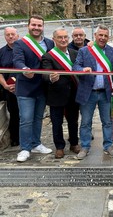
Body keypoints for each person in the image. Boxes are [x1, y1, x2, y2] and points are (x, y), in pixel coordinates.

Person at [73, 24, 113, 159]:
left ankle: (108, 146)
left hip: (106, 93)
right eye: (100, 35)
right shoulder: (84, 51)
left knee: (107, 121)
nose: (103, 38)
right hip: (88, 92)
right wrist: (82, 70)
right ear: (95, 36)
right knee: (86, 122)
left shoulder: (112, 52)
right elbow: (75, 66)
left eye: (105, 36)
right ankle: (85, 147)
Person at [13, 15, 54, 162]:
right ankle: (25, 148)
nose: (36, 28)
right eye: (34, 25)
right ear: (28, 26)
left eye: (39, 25)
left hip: (42, 87)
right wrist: (24, 69)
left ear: (43, 27)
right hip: (25, 87)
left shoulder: (50, 43)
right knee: (26, 119)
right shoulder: (20, 44)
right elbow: (17, 60)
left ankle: (36, 143)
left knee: (38, 118)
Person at [41, 28, 80, 159]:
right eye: (60, 38)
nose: (63, 40)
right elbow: (45, 74)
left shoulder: (75, 53)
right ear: (54, 40)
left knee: (73, 121)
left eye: (65, 37)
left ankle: (74, 143)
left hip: (73, 94)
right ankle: (59, 147)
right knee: (57, 122)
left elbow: (79, 68)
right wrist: (51, 78)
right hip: (56, 95)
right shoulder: (48, 56)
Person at [0, 27, 20, 146]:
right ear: (5, 37)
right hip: (8, 88)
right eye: (8, 35)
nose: (11, 36)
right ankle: (15, 138)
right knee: (14, 113)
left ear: (18, 36)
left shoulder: (24, 49)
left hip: (25, 86)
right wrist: (5, 85)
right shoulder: (1, 52)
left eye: (13, 34)